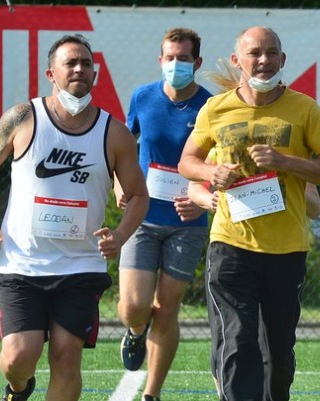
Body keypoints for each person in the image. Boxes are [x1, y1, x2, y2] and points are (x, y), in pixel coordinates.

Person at [0, 34, 148, 401]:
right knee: (18, 358)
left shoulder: (114, 133)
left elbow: (138, 195)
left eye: (86, 63)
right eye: (71, 63)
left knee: (67, 356)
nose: (79, 69)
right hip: (22, 263)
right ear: (51, 73)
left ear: (95, 74)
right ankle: (18, 388)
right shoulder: (23, 117)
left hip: (80, 265)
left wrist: (120, 234)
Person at [177, 26, 320, 401]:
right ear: (237, 60)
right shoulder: (216, 109)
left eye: (271, 53)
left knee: (278, 358)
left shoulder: (305, 109)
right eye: (254, 53)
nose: (264, 60)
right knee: (237, 341)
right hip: (231, 246)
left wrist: (286, 162)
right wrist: (211, 173)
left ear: (282, 59)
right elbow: (187, 162)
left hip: (286, 249)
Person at [114, 28, 210, 401]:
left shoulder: (211, 106)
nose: (176, 64)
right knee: (134, 307)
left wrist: (203, 198)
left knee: (167, 309)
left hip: (188, 223)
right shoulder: (142, 97)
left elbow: (219, 163)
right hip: (141, 216)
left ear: (197, 63)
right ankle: (136, 331)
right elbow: (122, 148)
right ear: (160, 60)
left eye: (183, 59)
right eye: (170, 58)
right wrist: (120, 186)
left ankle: (151, 394)